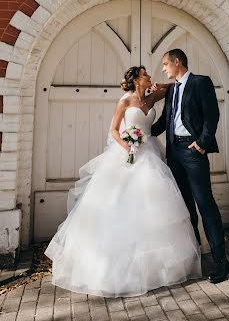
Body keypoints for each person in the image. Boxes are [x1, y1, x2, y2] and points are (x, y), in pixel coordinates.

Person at [45, 66, 201, 298]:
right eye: (146, 74)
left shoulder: (152, 96)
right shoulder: (125, 102)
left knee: (154, 202)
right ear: (137, 79)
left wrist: (159, 86)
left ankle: (157, 266)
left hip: (151, 153)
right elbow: (114, 130)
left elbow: (173, 87)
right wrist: (128, 146)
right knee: (120, 203)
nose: (150, 76)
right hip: (129, 153)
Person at [151, 48, 229, 283]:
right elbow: (166, 120)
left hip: (192, 150)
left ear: (177, 62)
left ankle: (221, 261)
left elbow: (211, 116)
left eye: (166, 64)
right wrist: (140, 133)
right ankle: (194, 256)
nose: (164, 68)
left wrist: (201, 144)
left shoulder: (200, 82)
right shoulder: (172, 89)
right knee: (185, 207)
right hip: (174, 152)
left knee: (205, 204)